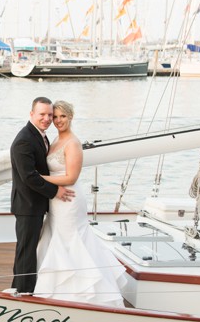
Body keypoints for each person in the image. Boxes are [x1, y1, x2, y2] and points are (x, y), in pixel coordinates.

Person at [33, 100, 130, 307]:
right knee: (55, 238)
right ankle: (55, 288)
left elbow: (71, 177)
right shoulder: (55, 141)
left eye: (63, 116)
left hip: (69, 199)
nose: (58, 121)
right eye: (55, 116)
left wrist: (38, 178)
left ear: (71, 117)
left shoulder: (73, 143)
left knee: (71, 240)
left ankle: (83, 291)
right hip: (56, 200)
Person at [9, 96, 73, 294]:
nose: (46, 119)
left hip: (35, 204)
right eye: (42, 114)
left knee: (26, 249)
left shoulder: (40, 135)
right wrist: (55, 191)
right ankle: (25, 292)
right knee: (27, 251)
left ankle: (18, 287)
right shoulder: (24, 140)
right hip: (27, 205)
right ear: (31, 114)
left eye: (49, 115)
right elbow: (29, 177)